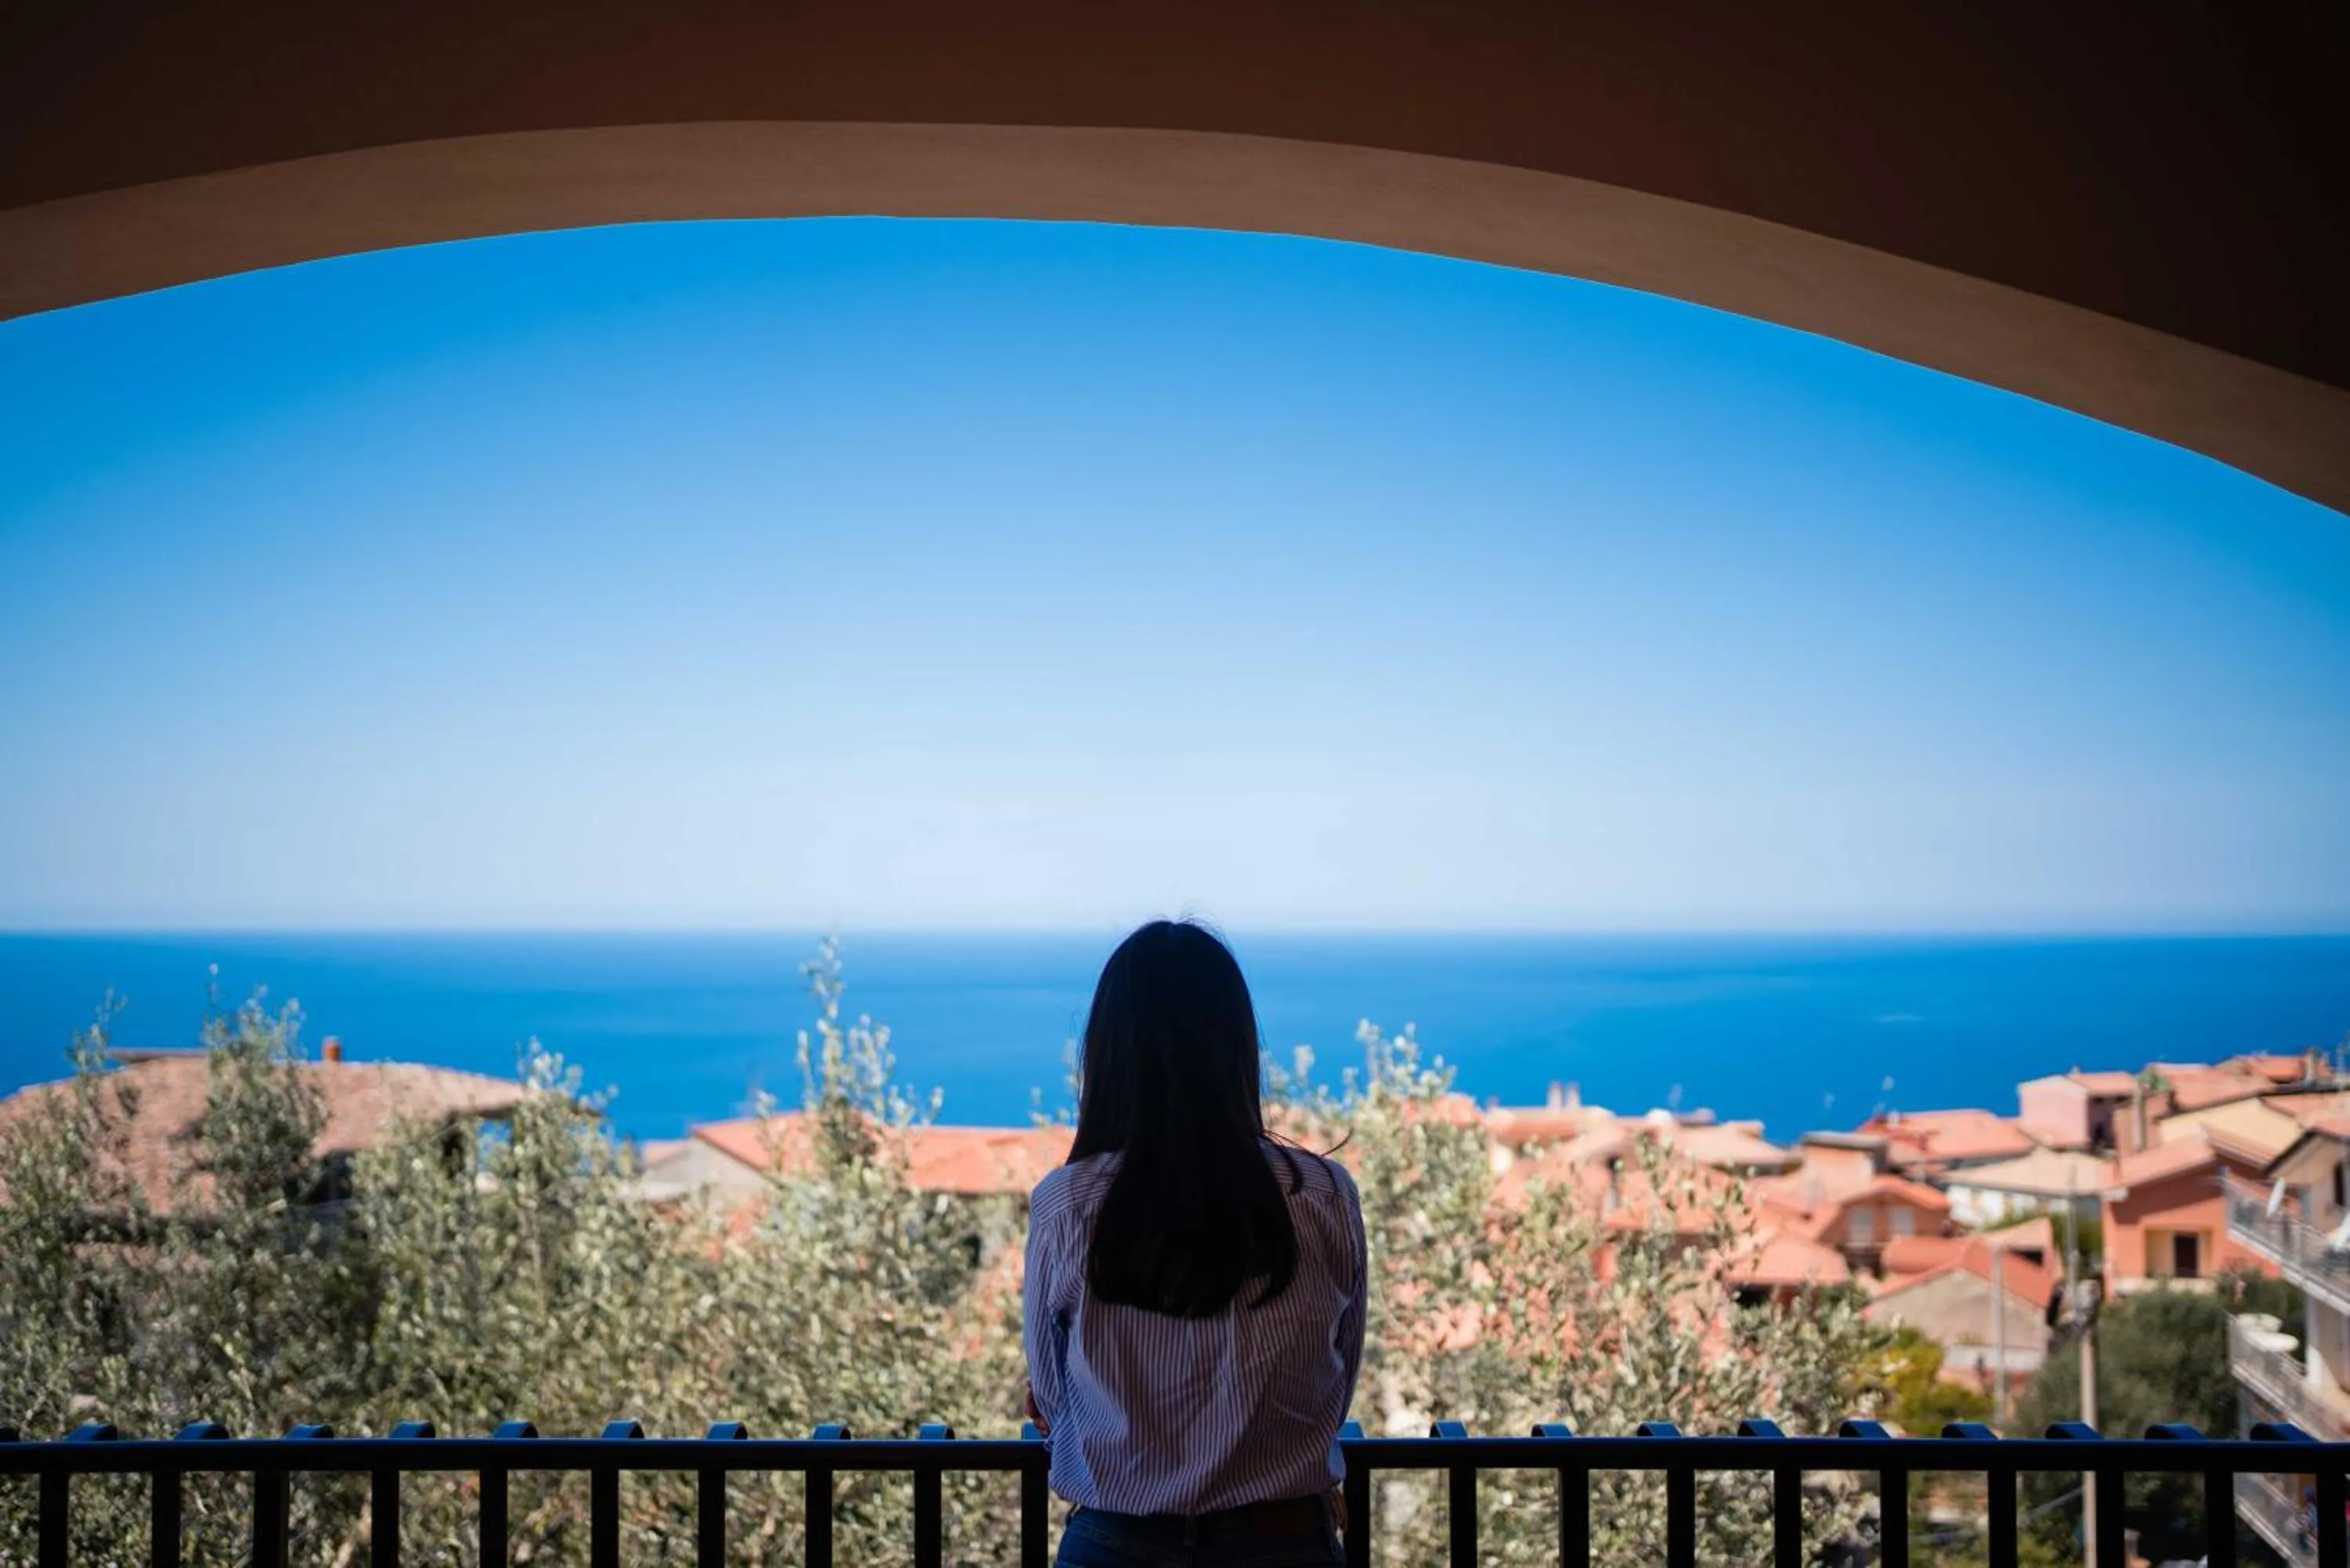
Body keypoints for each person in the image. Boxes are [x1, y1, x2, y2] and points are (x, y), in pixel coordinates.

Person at [1023, 920, 1368, 1567]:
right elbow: (1338, 1376)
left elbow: (1051, 1394)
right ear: (1237, 1047)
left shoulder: (1067, 1205)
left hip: (1114, 1547)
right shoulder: (1323, 1196)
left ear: (1109, 1050)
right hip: (1284, 1543)